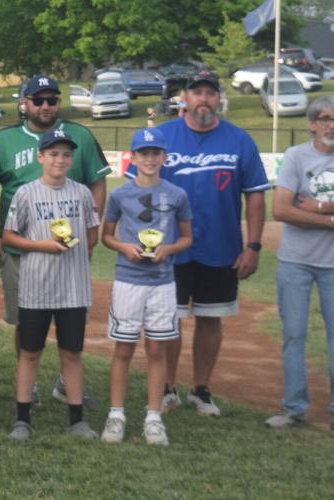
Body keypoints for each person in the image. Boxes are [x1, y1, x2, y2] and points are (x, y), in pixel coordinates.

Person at [126, 71, 271, 417]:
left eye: (210, 93)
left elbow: (255, 196)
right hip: (167, 250)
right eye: (197, 93)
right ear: (185, 99)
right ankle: (167, 387)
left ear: (219, 99)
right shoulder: (163, 137)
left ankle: (201, 389)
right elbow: (135, 190)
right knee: (167, 321)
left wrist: (253, 246)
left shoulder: (239, 140)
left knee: (210, 318)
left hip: (221, 247)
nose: (203, 99)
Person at [0, 74, 110, 407]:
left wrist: (91, 233)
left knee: (71, 319)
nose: (45, 105)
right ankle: (31, 386)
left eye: (51, 99)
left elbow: (97, 182)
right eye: (37, 99)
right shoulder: (4, 140)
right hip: (19, 249)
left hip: (70, 251)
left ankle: (67, 384)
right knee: (24, 321)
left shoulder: (79, 136)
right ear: (24, 103)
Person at [265, 96, 334, 435]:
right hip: (296, 262)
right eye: (325, 118)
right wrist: (333, 221)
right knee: (294, 336)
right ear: (312, 124)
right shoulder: (296, 156)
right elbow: (281, 209)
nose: (332, 125)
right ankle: (293, 409)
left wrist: (319, 206)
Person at [2, 129, 100, 442]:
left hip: (73, 288)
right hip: (36, 288)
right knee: (30, 352)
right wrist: (43, 245)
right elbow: (9, 236)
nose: (60, 159)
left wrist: (76, 251)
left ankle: (76, 420)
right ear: (40, 157)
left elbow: (92, 232)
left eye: (66, 154)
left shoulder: (82, 193)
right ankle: (22, 419)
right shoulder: (26, 193)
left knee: (71, 353)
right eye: (53, 153)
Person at [100, 128, 193, 446]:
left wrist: (169, 249)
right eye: (144, 153)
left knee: (156, 349)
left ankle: (153, 417)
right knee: (124, 349)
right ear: (134, 157)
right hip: (129, 279)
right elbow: (107, 235)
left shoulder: (177, 195)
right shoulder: (120, 195)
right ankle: (116, 415)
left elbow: (187, 237)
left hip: (162, 282)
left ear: (164, 157)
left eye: (155, 153)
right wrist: (124, 247)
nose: (150, 159)